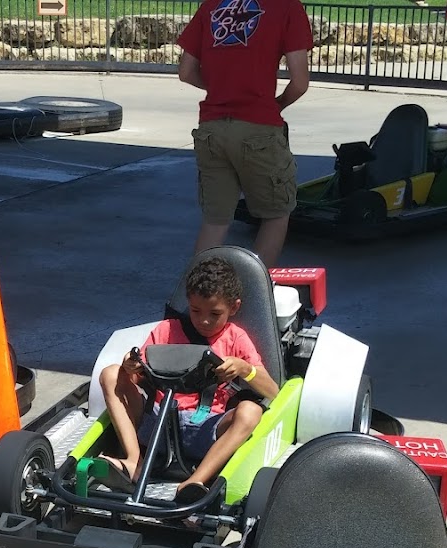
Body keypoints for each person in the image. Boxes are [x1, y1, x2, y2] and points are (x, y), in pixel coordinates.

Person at [96, 257, 280, 502]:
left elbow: (273, 391)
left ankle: (195, 481)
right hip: (158, 421)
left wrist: (245, 369)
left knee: (251, 411)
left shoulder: (236, 338)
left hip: (207, 427)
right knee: (111, 373)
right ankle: (134, 463)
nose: (204, 320)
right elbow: (137, 378)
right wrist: (130, 366)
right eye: (195, 311)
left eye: (215, 313)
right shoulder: (167, 330)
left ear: (234, 308)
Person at [176, 0, 314, 268]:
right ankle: (254, 288)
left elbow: (186, 72)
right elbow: (300, 82)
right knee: (276, 213)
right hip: (258, 128)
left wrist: (220, 89)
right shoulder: (287, 6)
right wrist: (277, 104)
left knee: (215, 220)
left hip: (212, 128)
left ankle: (199, 290)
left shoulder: (212, 5)